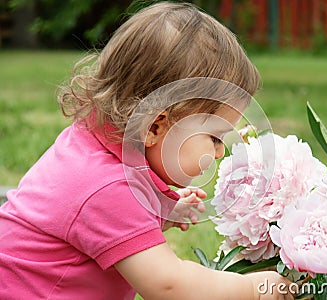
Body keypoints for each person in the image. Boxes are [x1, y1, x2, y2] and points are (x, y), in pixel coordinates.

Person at [0, 2, 294, 299]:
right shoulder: (107, 188)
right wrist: (254, 289)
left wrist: (158, 208)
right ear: (155, 127)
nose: (218, 153)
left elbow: (100, 223)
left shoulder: (89, 143)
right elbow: (168, 285)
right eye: (215, 138)